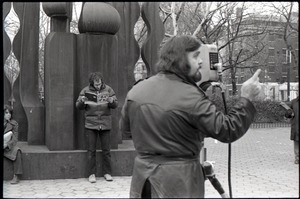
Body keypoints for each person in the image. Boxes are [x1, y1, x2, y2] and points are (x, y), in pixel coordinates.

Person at [119, 35, 262, 198]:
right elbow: (228, 129)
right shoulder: (190, 96)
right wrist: (246, 98)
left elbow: (125, 130)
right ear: (179, 59)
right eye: (195, 56)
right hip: (179, 181)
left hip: (143, 180)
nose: (201, 62)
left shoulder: (136, 90)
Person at [76, 72, 118, 183]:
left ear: (102, 82)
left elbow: (116, 104)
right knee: (91, 151)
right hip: (91, 124)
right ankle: (91, 174)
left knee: (106, 150)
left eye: (99, 84)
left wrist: (112, 101)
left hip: (105, 123)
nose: (98, 86)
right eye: (96, 84)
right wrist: (82, 101)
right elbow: (78, 106)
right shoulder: (85, 91)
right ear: (92, 83)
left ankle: (107, 173)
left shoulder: (108, 90)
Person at [4, 104, 23, 184]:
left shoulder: (14, 123)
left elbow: (15, 138)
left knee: (17, 151)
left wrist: (7, 145)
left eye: (10, 113)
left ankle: (16, 176)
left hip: (7, 146)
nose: (9, 115)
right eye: (6, 113)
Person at [284, 84, 299, 164]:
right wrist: (289, 113)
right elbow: (287, 113)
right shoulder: (293, 102)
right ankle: (297, 157)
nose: (297, 92)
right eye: (297, 91)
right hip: (296, 125)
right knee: (296, 141)